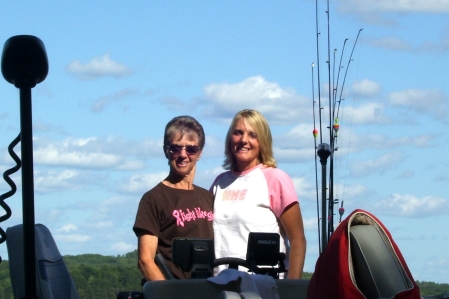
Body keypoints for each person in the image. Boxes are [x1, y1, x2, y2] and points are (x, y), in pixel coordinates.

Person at [210, 109, 306, 279]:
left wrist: (292, 289)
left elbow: (298, 240)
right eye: (238, 133)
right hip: (220, 285)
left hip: (263, 285)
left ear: (263, 142)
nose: (244, 140)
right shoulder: (219, 183)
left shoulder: (276, 179)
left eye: (252, 135)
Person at [133, 115, 214, 280]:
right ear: (166, 150)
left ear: (199, 153)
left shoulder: (208, 197)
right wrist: (170, 293)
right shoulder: (154, 198)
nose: (183, 155)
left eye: (191, 149)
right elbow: (145, 260)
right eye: (176, 148)